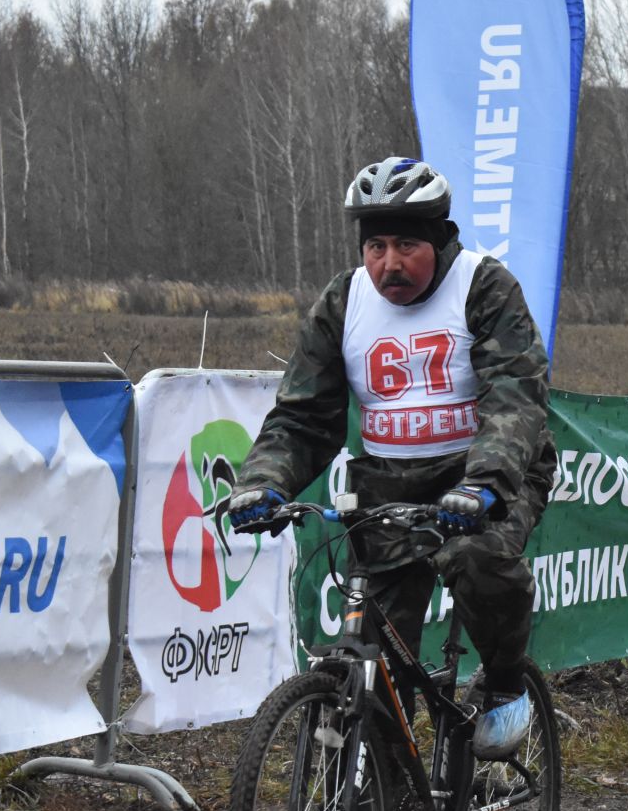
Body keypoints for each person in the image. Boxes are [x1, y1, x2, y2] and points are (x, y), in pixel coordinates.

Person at [228, 155, 556, 776]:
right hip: (387, 485)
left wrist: (485, 484)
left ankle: (506, 683)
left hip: (485, 475)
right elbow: (303, 416)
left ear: (438, 240)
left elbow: (516, 393)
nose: (390, 263)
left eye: (407, 244)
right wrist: (263, 483)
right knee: (372, 660)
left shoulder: (483, 286)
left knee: (476, 558)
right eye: (376, 245)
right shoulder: (343, 301)